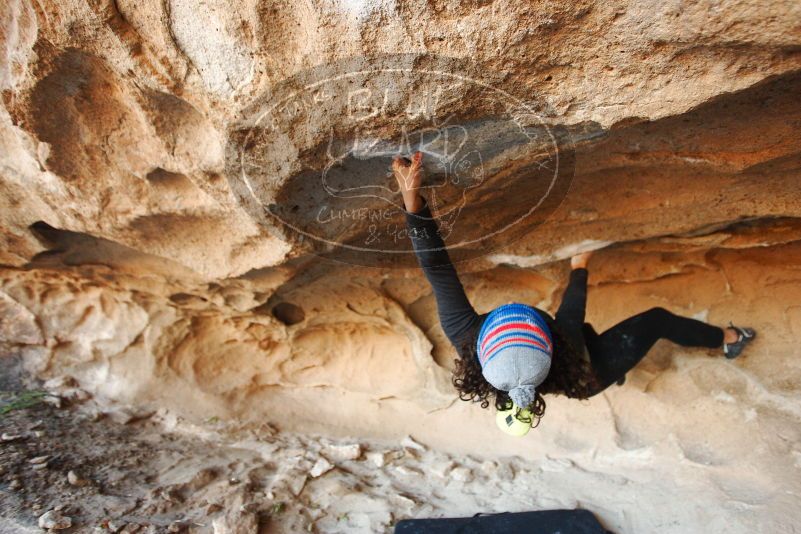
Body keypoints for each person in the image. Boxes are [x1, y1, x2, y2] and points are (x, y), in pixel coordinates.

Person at [392, 151, 756, 428]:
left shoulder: (465, 335)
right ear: (549, 344)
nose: (516, 309)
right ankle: (727, 338)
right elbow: (573, 307)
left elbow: (437, 267)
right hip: (588, 375)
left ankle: (616, 366)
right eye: (528, 323)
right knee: (655, 321)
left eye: (510, 321)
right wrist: (579, 267)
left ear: (484, 352)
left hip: (566, 358)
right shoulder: (564, 340)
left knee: (584, 334)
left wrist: (412, 201)